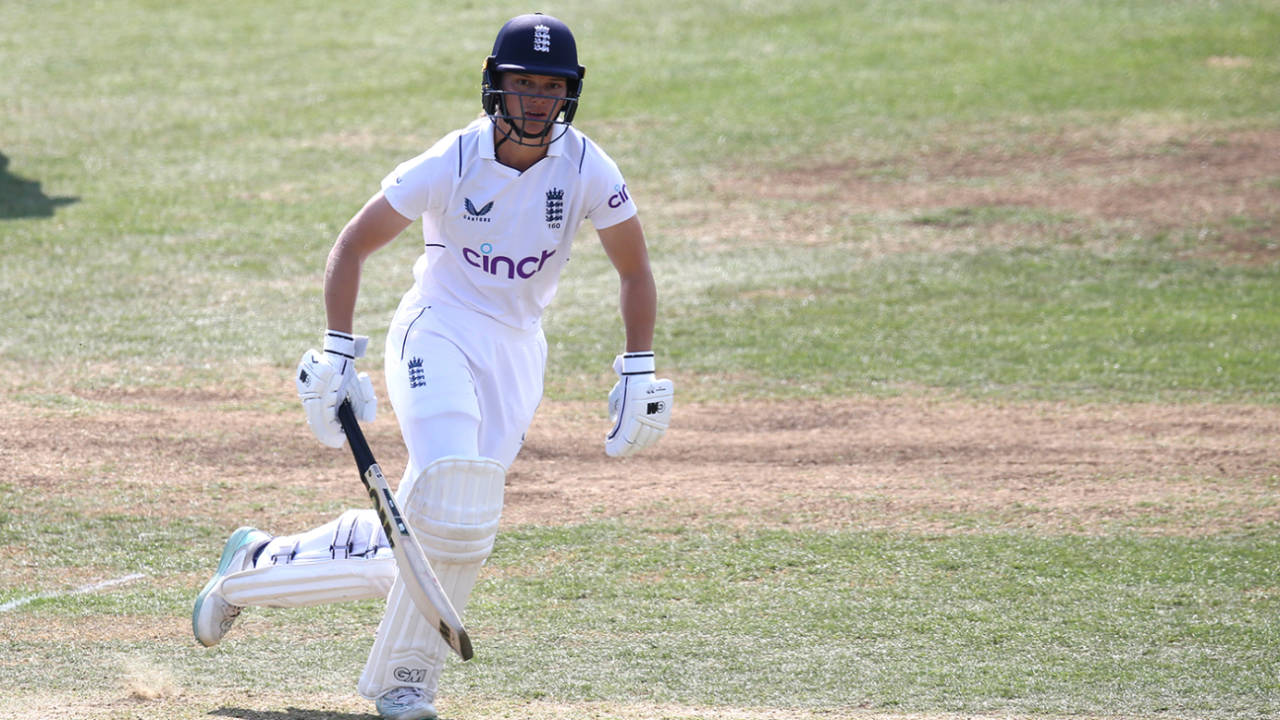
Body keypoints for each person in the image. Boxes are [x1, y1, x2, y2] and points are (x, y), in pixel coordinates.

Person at [191, 13, 673, 720]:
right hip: (436, 331)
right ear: (494, 86)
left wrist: (638, 369)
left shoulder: (588, 167)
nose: (536, 100)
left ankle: (253, 567)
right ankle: (404, 683)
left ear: (568, 94)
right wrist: (337, 352)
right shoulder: (452, 160)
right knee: (449, 506)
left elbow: (634, 270)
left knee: (428, 541)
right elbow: (352, 245)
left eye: (550, 86)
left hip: (516, 351)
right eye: (522, 84)